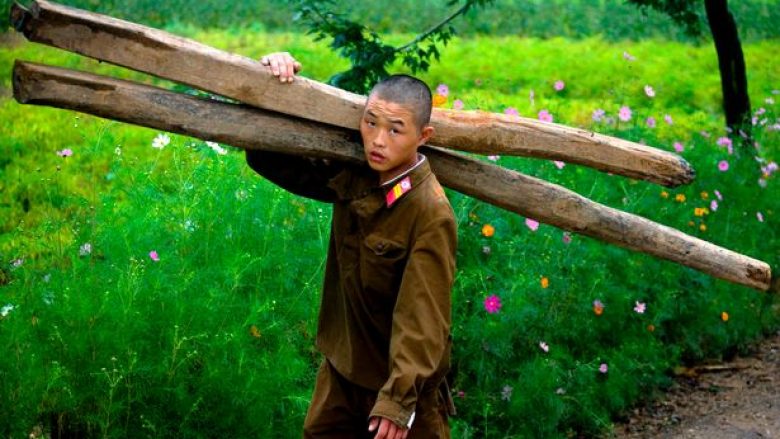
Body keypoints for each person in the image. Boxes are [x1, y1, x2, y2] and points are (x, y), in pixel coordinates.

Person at [248, 52, 458, 438]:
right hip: (342, 371)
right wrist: (271, 86)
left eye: (395, 130)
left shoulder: (429, 212)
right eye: (370, 123)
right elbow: (272, 160)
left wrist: (397, 401)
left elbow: (423, 317)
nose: (378, 140)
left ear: (422, 137)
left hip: (399, 386)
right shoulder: (357, 175)